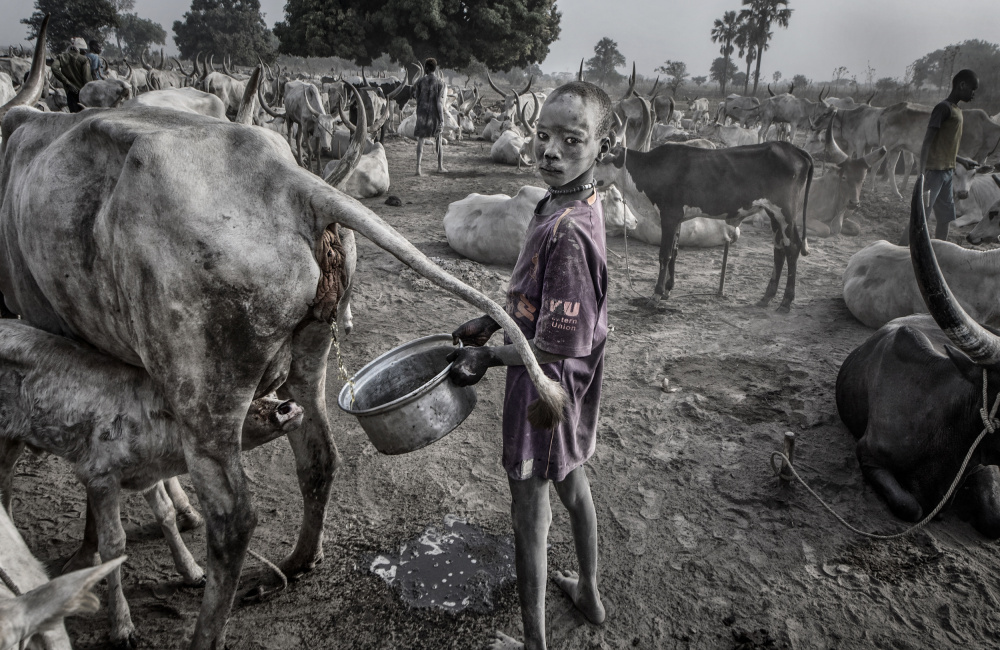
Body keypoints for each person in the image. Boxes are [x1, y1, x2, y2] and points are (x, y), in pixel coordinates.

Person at [447, 81, 612, 650]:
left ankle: (534, 645)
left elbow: (553, 348)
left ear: (601, 145)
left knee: (529, 514)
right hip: (568, 382)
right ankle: (589, 593)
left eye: (572, 140)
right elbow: (531, 292)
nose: (551, 151)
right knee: (572, 482)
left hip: (547, 391)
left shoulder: (569, 231)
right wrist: (493, 319)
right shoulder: (559, 201)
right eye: (544, 136)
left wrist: (487, 356)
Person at [899, 69, 979, 245]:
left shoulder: (957, 110)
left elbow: (944, 146)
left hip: (948, 173)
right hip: (934, 174)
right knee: (921, 217)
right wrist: (921, 174)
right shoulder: (943, 108)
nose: (973, 94)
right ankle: (899, 251)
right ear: (962, 85)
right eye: (972, 89)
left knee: (944, 219)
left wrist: (962, 160)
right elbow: (927, 142)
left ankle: (940, 252)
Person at [412, 57, 447, 175]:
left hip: (421, 114)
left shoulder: (420, 81)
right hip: (434, 116)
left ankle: (418, 168)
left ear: (426, 68)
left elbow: (416, 98)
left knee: (421, 140)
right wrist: (442, 120)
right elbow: (439, 103)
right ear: (435, 68)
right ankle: (440, 166)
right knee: (439, 139)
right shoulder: (440, 83)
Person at [50, 38, 92, 113]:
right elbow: (87, 79)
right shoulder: (84, 59)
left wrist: (67, 83)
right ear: (78, 49)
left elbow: (54, 67)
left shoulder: (61, 57)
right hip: (83, 93)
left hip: (70, 93)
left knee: (73, 115)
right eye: (83, 50)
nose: (85, 52)